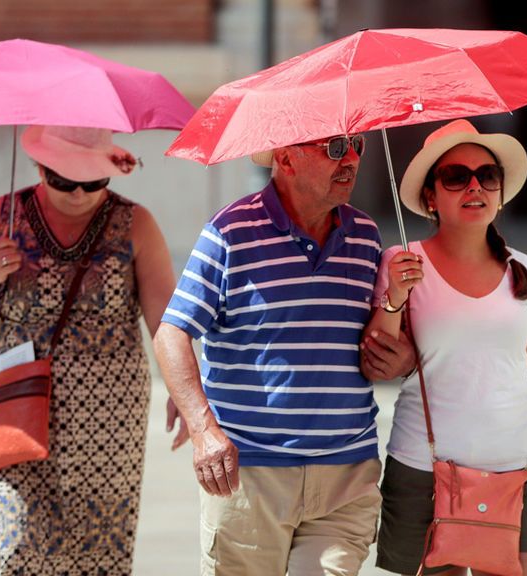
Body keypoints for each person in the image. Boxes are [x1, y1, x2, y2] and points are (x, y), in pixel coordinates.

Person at [153, 134, 415, 575]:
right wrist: (203, 430)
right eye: (334, 149)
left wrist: (401, 354)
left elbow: (378, 351)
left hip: (346, 470)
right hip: (249, 473)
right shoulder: (229, 231)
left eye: (356, 146)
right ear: (286, 157)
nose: (350, 159)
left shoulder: (366, 235)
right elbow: (172, 332)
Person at [0, 125, 176, 575]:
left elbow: (164, 319)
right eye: (63, 180)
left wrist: (186, 395)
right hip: (19, 412)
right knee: (9, 554)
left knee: (95, 562)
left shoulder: (135, 222)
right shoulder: (4, 216)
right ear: (39, 167)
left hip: (108, 426)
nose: (79, 193)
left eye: (93, 182)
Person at [369, 119, 527, 576]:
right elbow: (377, 359)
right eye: (455, 176)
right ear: (431, 197)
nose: (474, 186)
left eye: (487, 175)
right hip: (426, 474)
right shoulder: (402, 264)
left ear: (500, 192)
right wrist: (393, 299)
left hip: (523, 471)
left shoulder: (526, 269)